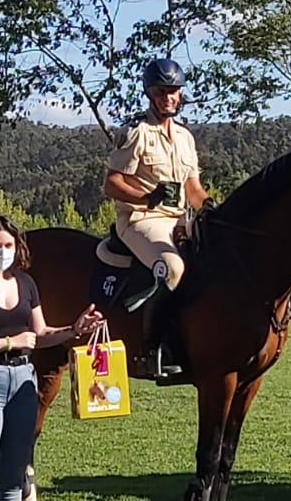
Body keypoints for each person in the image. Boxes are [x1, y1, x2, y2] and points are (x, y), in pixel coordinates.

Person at [0, 215, 102, 501]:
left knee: (14, 482)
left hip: (21, 382)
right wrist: (8, 342)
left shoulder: (26, 284)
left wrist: (73, 329)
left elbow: (40, 333)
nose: (2, 251)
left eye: (8, 245)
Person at [101, 58, 211, 378]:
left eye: (174, 91)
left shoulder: (185, 138)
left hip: (177, 220)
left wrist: (211, 208)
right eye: (162, 91)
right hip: (139, 220)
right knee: (173, 268)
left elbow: (193, 188)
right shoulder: (136, 133)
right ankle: (154, 351)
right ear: (150, 93)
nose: (169, 97)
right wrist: (145, 197)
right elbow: (112, 183)